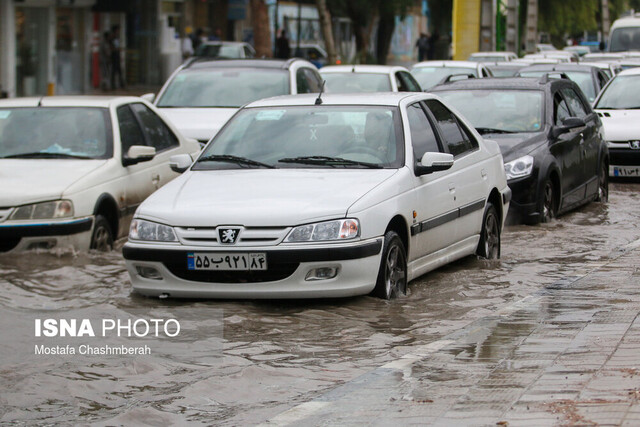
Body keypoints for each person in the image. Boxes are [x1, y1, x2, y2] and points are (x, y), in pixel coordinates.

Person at [110, 25, 125, 90]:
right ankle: (113, 85)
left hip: (117, 55)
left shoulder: (116, 38)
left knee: (119, 71)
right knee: (114, 71)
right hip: (114, 56)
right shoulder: (113, 38)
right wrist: (118, 49)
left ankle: (121, 84)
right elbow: (113, 47)